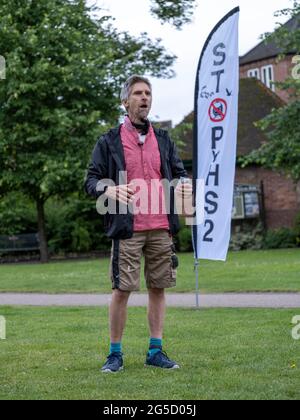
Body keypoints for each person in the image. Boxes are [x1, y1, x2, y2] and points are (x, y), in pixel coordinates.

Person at [84, 75, 192, 373]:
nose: (145, 98)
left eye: (148, 93)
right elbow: (90, 181)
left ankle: (155, 351)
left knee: (159, 288)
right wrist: (109, 189)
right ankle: (115, 354)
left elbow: (180, 173)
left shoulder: (165, 139)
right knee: (122, 289)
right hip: (127, 228)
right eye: (138, 93)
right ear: (125, 101)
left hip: (161, 226)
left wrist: (184, 185)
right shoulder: (108, 141)